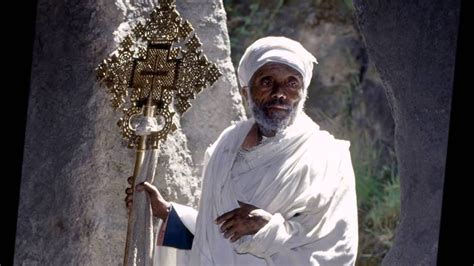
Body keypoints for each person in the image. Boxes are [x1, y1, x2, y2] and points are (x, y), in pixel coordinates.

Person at [125, 36, 359, 265]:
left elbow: (337, 249)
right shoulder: (224, 149)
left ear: (303, 93)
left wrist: (269, 229)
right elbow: (215, 239)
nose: (280, 93)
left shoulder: (328, 157)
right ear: (246, 92)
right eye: (266, 82)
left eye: (292, 83)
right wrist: (169, 214)